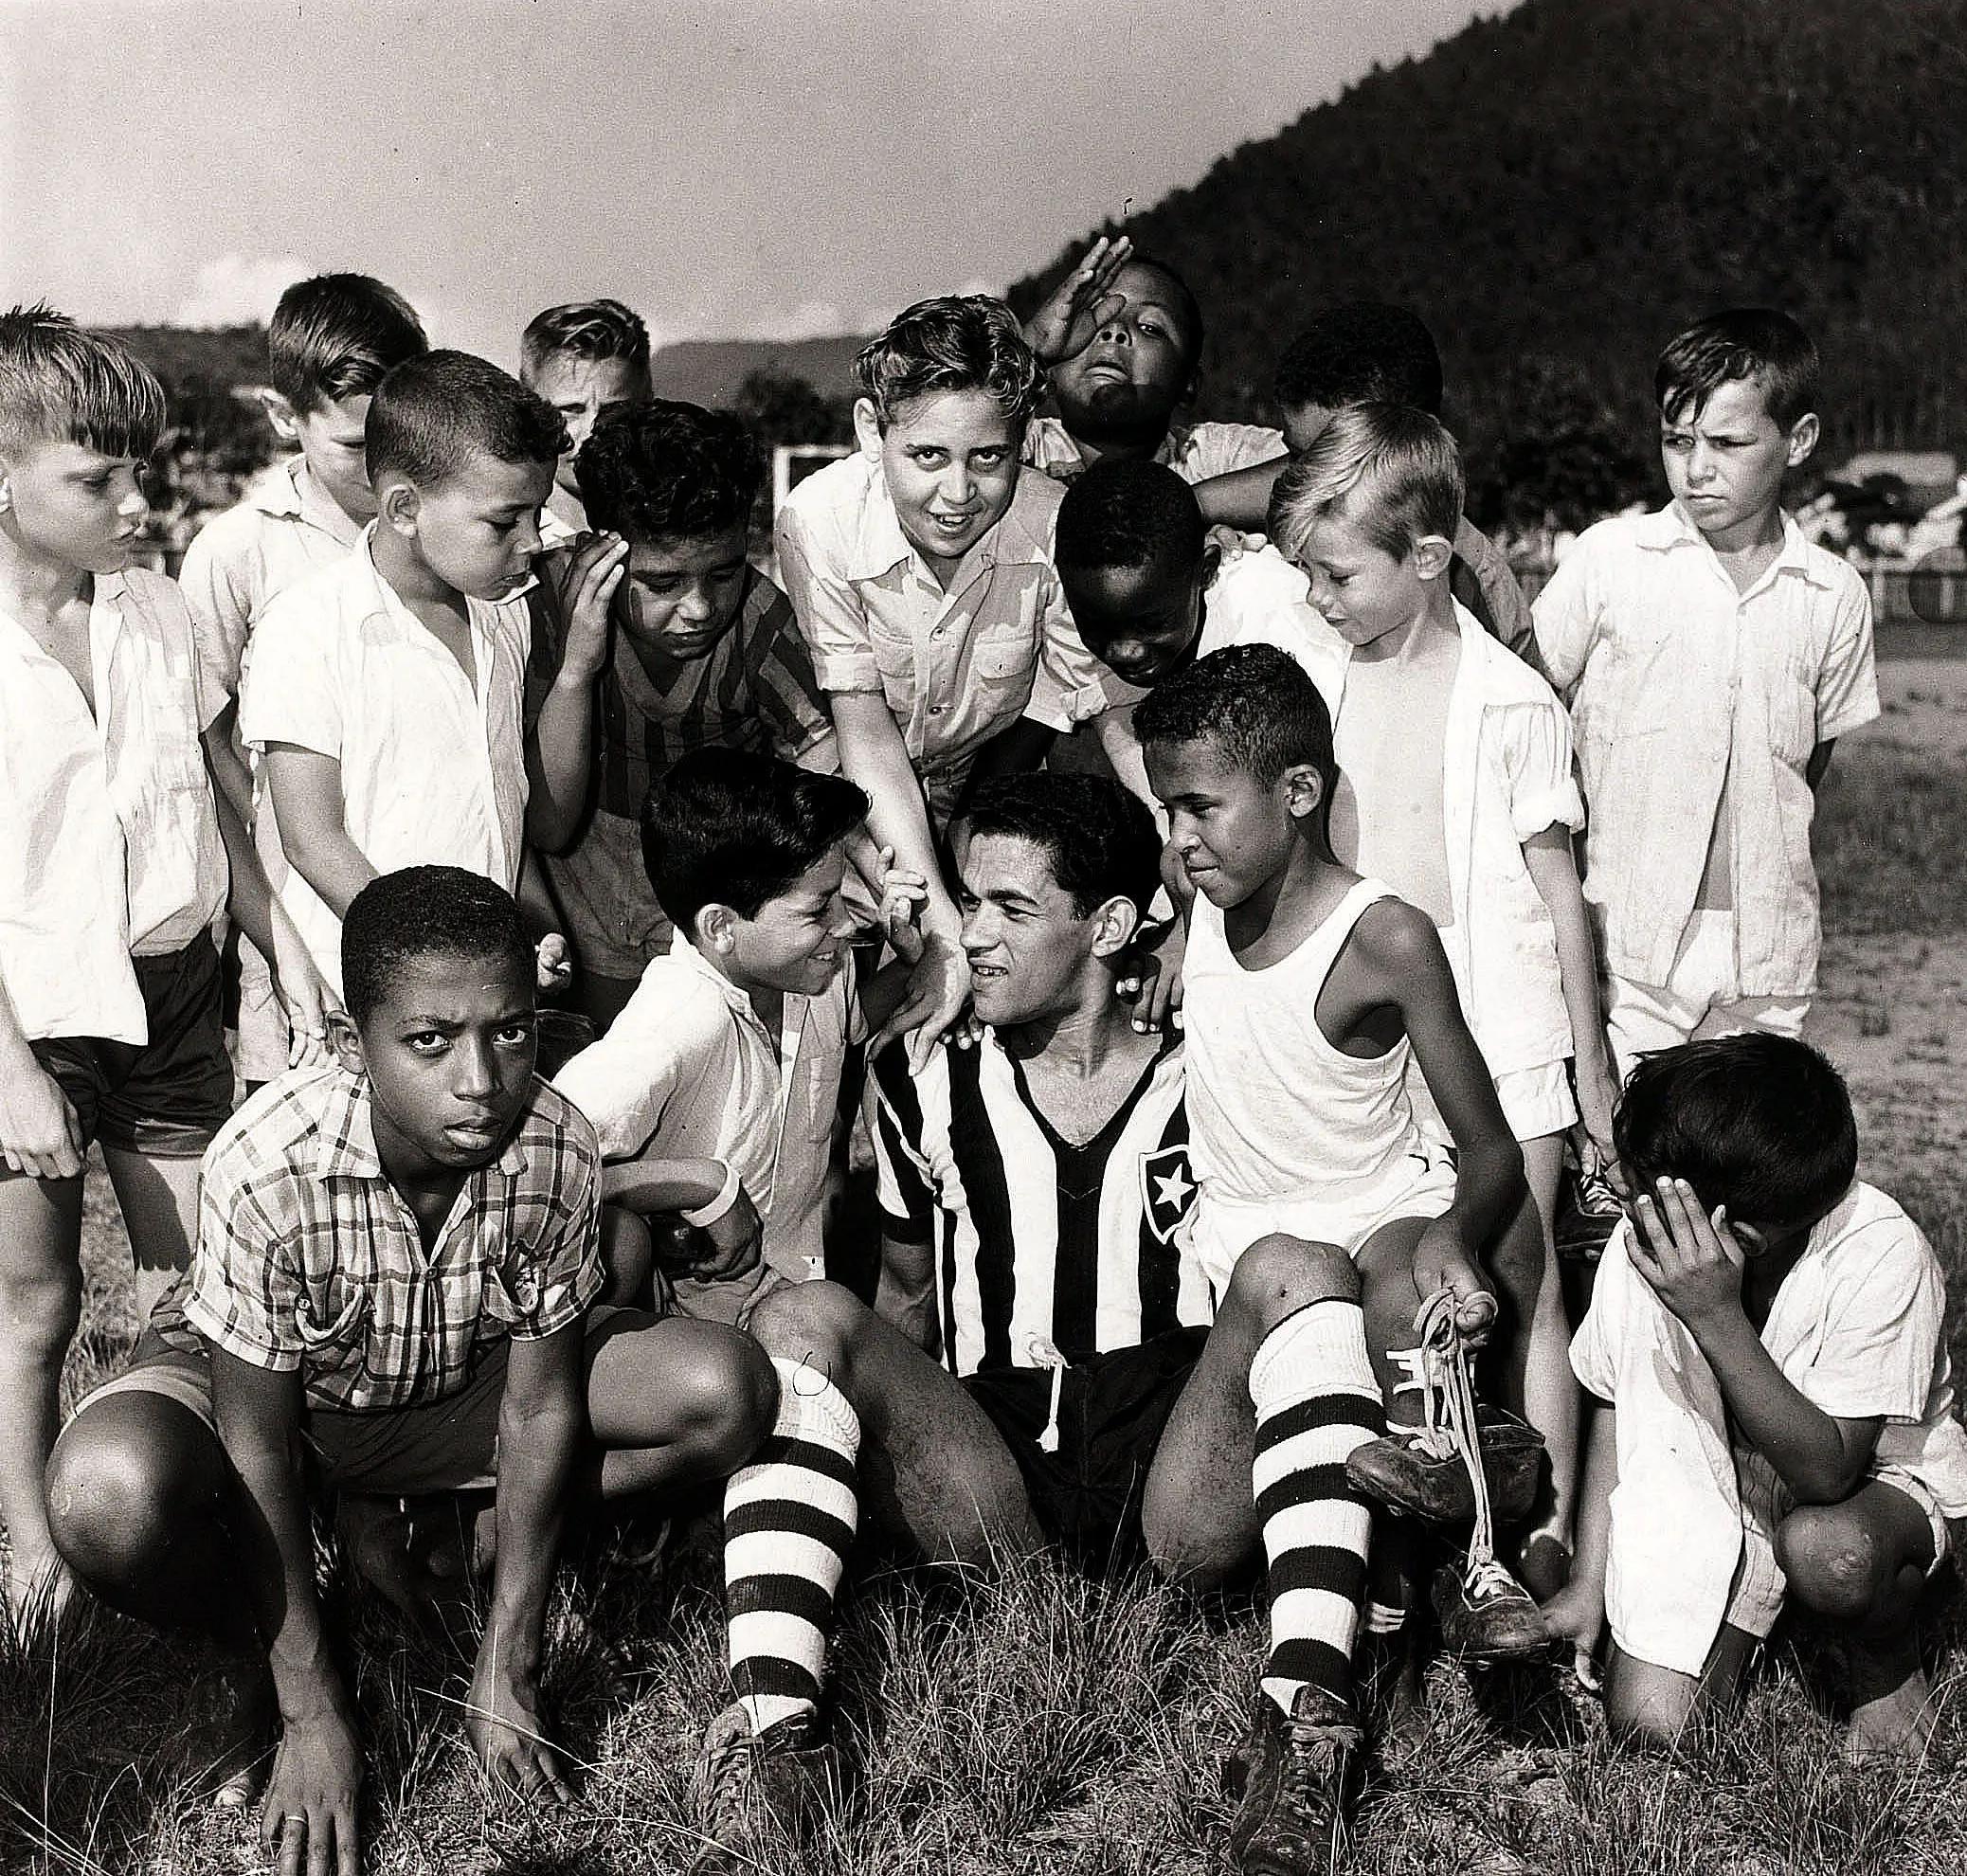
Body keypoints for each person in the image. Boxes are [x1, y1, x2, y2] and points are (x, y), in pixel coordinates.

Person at [677, 769, 1373, 1876]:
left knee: (1301, 1267)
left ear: (1108, 927)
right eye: (969, 902)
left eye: (1011, 908)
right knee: (804, 1315)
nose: (975, 937)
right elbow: (905, 1295)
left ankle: (1306, 1721)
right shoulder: (920, 1075)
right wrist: (859, 1455)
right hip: (997, 1476)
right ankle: (778, 1737)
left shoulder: (1213, 1064)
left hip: (1177, 1468)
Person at [45, 868, 777, 1873]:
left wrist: (510, 1665)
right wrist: (312, 1711)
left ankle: (439, 1539)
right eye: (430, 1040)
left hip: (442, 1383)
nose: (481, 1080)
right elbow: (258, 1442)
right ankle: (263, 1639)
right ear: (355, 1045)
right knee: (104, 1496)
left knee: (726, 1392)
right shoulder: (269, 1161)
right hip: (269, 1402)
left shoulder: (552, 1143)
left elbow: (539, 1408)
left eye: (510, 1032)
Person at [1134, 649, 1541, 1687]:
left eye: (1200, 808)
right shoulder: (1198, 895)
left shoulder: (1384, 936)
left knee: (1406, 1287)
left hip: (1377, 1211)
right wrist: (1178, 942)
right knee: (1187, 1549)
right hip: (1253, 1256)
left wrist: (1454, 1234)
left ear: (1300, 792)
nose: (1178, 839)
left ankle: (1453, 1569)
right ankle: (1418, 1533)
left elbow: (1491, 1148)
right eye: (1167, 811)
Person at [1266, 404, 1617, 1591]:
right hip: (1372, 1039)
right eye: (1308, 576)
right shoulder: (1314, 683)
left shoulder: (1514, 702)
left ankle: (1543, 1542)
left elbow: (1561, 897)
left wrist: (1591, 1070)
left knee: (1523, 1278)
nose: (1318, 597)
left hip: (1504, 1033)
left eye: (1337, 575)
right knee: (1409, 1280)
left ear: (1426, 558)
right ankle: (1412, 1554)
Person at [0, 306, 308, 1627]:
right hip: (28, 1014)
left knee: (196, 1289)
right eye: (97, 478)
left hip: (174, 993)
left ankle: (215, 1527)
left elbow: (218, 796)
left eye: (142, 470)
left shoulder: (162, 609)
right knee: (36, 1299)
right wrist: (12, 1074)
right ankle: (32, 1551)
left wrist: (282, 945)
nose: (137, 501)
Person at [1539, 1036, 1967, 1762]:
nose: (1616, 1188)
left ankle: (1885, 1664)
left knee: (1830, 1553)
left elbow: (1828, 1473)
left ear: (1733, 1233)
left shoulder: (1880, 1252)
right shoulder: (1642, 1248)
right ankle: (1764, 1607)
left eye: (1639, 1185)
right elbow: (1617, 1401)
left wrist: (1713, 1314)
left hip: (1868, 1494)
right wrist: (1588, 1583)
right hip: (1723, 1491)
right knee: (1655, 1727)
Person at [773, 295, 1134, 1069]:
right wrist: (940, 932)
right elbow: (864, 734)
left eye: (990, 458)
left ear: (1024, 442)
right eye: (928, 457)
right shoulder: (817, 519)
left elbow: (1104, 718)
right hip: (841, 796)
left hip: (983, 793)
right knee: (840, 1026)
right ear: (872, 430)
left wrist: (1175, 877)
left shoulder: (1054, 524)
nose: (959, 493)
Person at [1531, 309, 1878, 1082]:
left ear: (1799, 440)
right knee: (1626, 1142)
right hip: (1627, 944)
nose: (1697, 470)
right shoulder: (1611, 559)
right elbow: (1531, 716)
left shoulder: (1833, 593)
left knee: (1746, 1144)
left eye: (1727, 443)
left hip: (1768, 955)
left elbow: (1809, 765)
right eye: (1677, 441)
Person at [239, 350, 580, 1004]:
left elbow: (497, 810)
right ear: (403, 508)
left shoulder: (506, 615)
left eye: (537, 514)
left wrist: (533, 927)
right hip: (362, 999)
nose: (533, 542)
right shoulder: (306, 629)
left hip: (480, 992)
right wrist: (432, 964)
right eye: (505, 522)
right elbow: (311, 840)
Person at [176, 272, 428, 1083]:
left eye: (400, 434)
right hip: (301, 928)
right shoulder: (237, 551)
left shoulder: (450, 530)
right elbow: (211, 742)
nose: (384, 464)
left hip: (441, 904)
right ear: (285, 417)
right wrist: (275, 926)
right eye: (356, 445)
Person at [550, 748, 897, 1331]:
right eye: (819, 909)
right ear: (720, 926)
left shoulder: (813, 970)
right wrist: (702, 1186)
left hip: (800, 1286)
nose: (846, 925)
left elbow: (851, 1023)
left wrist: (912, 958)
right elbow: (540, 1170)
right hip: (706, 1334)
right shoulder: (675, 1023)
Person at [525, 400, 837, 1029]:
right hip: (589, 884)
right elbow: (550, 825)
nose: (699, 609)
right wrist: (578, 667)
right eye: (663, 584)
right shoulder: (552, 601)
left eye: (723, 574)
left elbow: (823, 768)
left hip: (718, 889)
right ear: (602, 550)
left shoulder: (761, 623)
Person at [1188, 302, 1539, 658]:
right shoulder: (1268, 484)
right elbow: (1186, 504)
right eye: (1297, 457)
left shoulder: (1475, 583)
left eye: (1334, 464)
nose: (1305, 486)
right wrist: (1201, 532)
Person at [1019, 234, 1283, 486]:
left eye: (1150, 327)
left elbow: (1309, 464)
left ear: (1188, 383)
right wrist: (1031, 349)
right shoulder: (1020, 445)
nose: (1114, 330)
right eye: (1093, 317)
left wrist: (1189, 503)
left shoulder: (1211, 457)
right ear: (1048, 369)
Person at [517, 298, 654, 539]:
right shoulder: (506, 544)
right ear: (528, 410)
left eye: (616, 409)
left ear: (648, 405)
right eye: (570, 410)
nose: (592, 432)